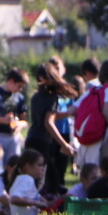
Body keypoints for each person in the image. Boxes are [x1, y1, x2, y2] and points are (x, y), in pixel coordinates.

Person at [25, 63, 77, 197]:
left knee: (35, 176)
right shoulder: (51, 98)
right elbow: (48, 122)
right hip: (42, 142)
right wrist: (64, 144)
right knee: (48, 178)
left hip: (31, 138)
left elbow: (48, 117)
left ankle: (34, 201)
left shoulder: (36, 96)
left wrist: (67, 113)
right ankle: (37, 204)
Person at [0, 69, 28, 159]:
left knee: (13, 165)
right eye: (19, 86)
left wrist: (19, 124)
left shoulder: (20, 98)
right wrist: (3, 120)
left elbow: (24, 121)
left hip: (13, 137)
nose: (20, 89)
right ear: (11, 81)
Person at [71, 58, 102, 170]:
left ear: (87, 74)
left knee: (90, 170)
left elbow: (73, 110)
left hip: (92, 134)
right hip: (107, 134)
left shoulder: (91, 88)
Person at [7, 148, 50, 215]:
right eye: (39, 165)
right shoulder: (27, 179)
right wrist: (36, 203)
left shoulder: (21, 179)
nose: (43, 168)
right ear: (28, 166)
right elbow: (14, 199)